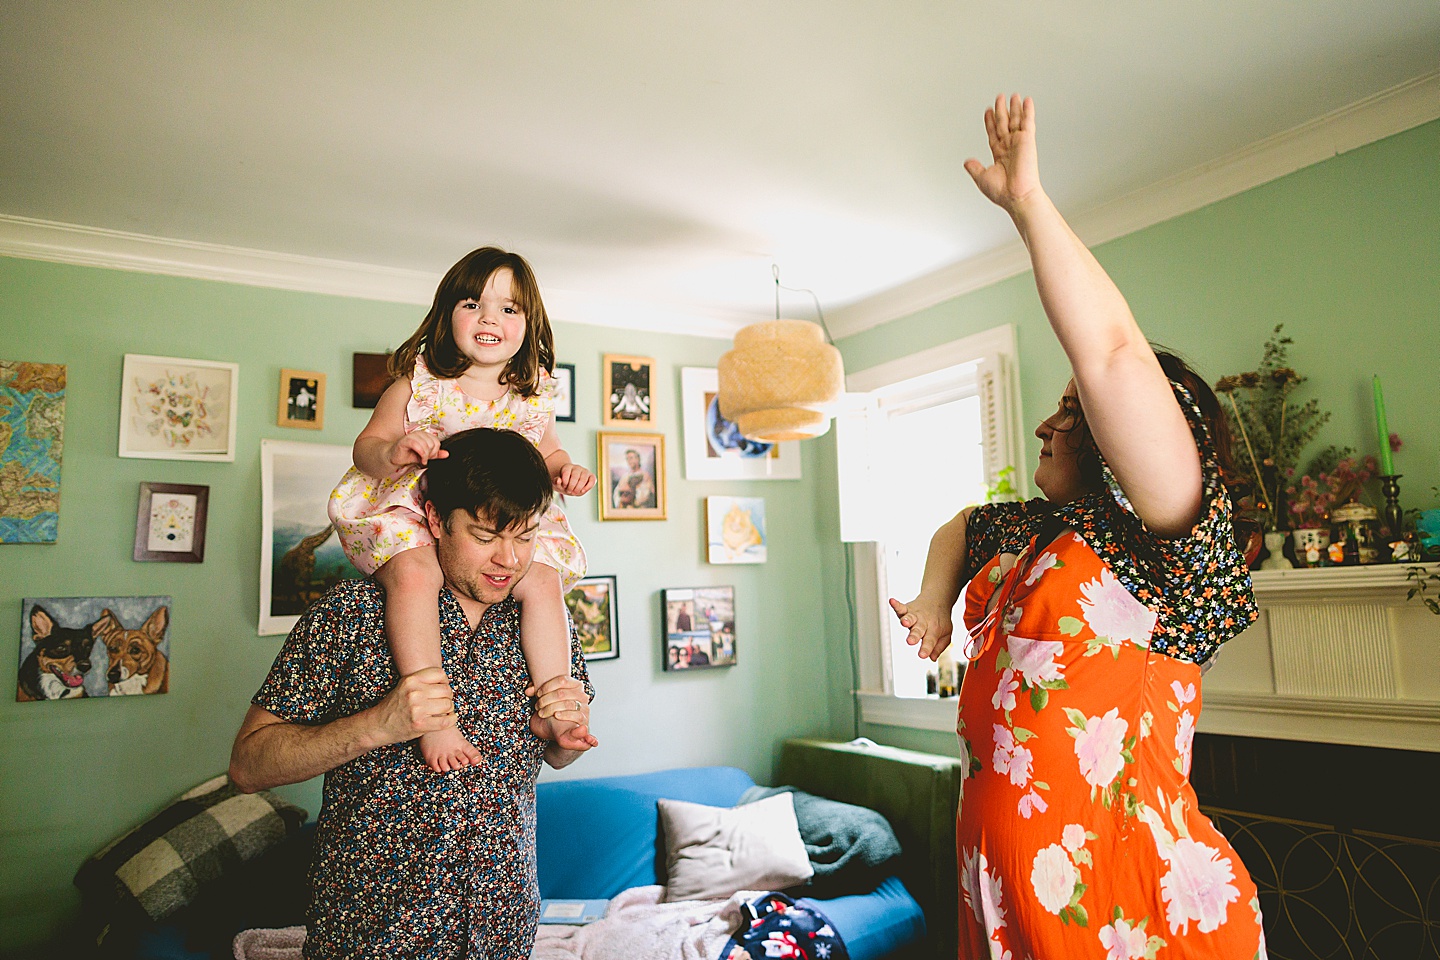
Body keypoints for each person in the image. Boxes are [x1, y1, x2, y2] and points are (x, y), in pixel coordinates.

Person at [889, 96, 1265, 958]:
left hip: (1127, 903)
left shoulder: (1171, 543)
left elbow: (1114, 357)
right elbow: (959, 525)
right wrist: (933, 601)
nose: (1047, 427)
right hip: (1005, 894)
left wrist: (1029, 207)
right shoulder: (1041, 530)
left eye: (1071, 411)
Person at [230, 427, 598, 959]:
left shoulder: (547, 625)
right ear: (434, 520)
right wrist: (377, 725)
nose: (508, 560)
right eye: (484, 535)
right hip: (370, 938)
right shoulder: (351, 614)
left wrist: (560, 738)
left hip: (503, 933)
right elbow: (248, 765)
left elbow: (556, 756)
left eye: (525, 537)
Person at [328, 247, 595, 772]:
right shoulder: (419, 384)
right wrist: (394, 451)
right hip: (414, 502)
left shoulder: (533, 394)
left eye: (510, 308)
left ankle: (555, 702)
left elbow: (549, 451)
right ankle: (432, 711)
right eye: (474, 303)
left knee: (541, 582)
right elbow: (368, 445)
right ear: (448, 314)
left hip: (497, 512)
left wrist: (565, 470)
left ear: (530, 323)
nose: (491, 317)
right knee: (414, 574)